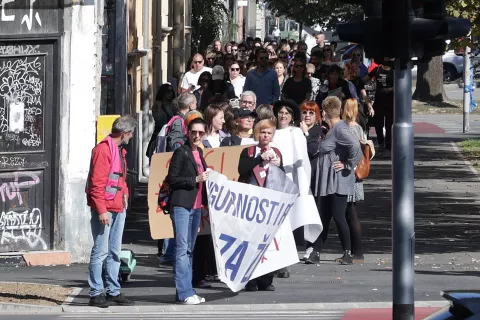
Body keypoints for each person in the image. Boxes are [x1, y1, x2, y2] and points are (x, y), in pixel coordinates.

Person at [86, 115, 137, 308]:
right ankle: (96, 292)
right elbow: (97, 184)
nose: (131, 138)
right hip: (105, 208)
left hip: (117, 207)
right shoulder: (103, 150)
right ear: (125, 133)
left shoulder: (117, 150)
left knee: (114, 251)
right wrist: (101, 210)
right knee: (101, 251)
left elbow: (120, 179)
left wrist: (124, 193)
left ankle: (113, 290)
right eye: (131, 134)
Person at [306, 96, 361, 265]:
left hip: (338, 180)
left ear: (324, 112)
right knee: (324, 216)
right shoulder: (334, 129)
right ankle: (316, 252)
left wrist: (347, 164)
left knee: (338, 216)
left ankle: (347, 253)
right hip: (328, 180)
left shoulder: (339, 129)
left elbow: (356, 146)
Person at [238, 119, 284, 292]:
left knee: (267, 242)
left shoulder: (277, 151)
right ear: (258, 133)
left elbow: (283, 178)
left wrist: (279, 166)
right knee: (250, 242)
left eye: (269, 133)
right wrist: (259, 158)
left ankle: (266, 280)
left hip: (270, 202)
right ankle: (249, 280)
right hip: (251, 201)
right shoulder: (249, 151)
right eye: (263, 132)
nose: (265, 136)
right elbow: (242, 169)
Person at [167, 117, 209, 305]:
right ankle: (185, 292)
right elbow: (173, 179)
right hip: (182, 205)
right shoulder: (181, 152)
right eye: (194, 132)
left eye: (200, 133)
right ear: (188, 133)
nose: (197, 136)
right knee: (182, 250)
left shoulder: (199, 152)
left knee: (189, 250)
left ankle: (184, 291)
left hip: (196, 206)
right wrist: (195, 179)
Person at [298, 101, 328, 259]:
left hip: (315, 176)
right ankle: (304, 243)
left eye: (311, 113)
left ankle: (313, 246)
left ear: (317, 116)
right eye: (304, 112)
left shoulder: (320, 130)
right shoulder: (296, 130)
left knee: (314, 210)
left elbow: (314, 150)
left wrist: (305, 134)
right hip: (300, 176)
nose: (307, 115)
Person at [339, 99, 366, 264]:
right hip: (356, 175)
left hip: (349, 174)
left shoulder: (346, 128)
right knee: (350, 212)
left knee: (350, 213)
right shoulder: (359, 128)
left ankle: (356, 252)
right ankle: (356, 251)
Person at [363, 60, 394, 157]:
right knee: (378, 124)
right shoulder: (377, 70)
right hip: (379, 100)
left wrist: (390, 89)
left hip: (390, 101)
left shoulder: (394, 70)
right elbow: (365, 79)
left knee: (389, 125)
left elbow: (400, 83)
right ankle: (381, 143)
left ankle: (389, 147)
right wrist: (356, 79)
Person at [146, 84, 176, 160]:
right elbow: (158, 119)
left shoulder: (174, 105)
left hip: (171, 134)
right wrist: (161, 106)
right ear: (163, 92)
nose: (170, 93)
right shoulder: (157, 104)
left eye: (171, 91)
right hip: (159, 134)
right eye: (168, 91)